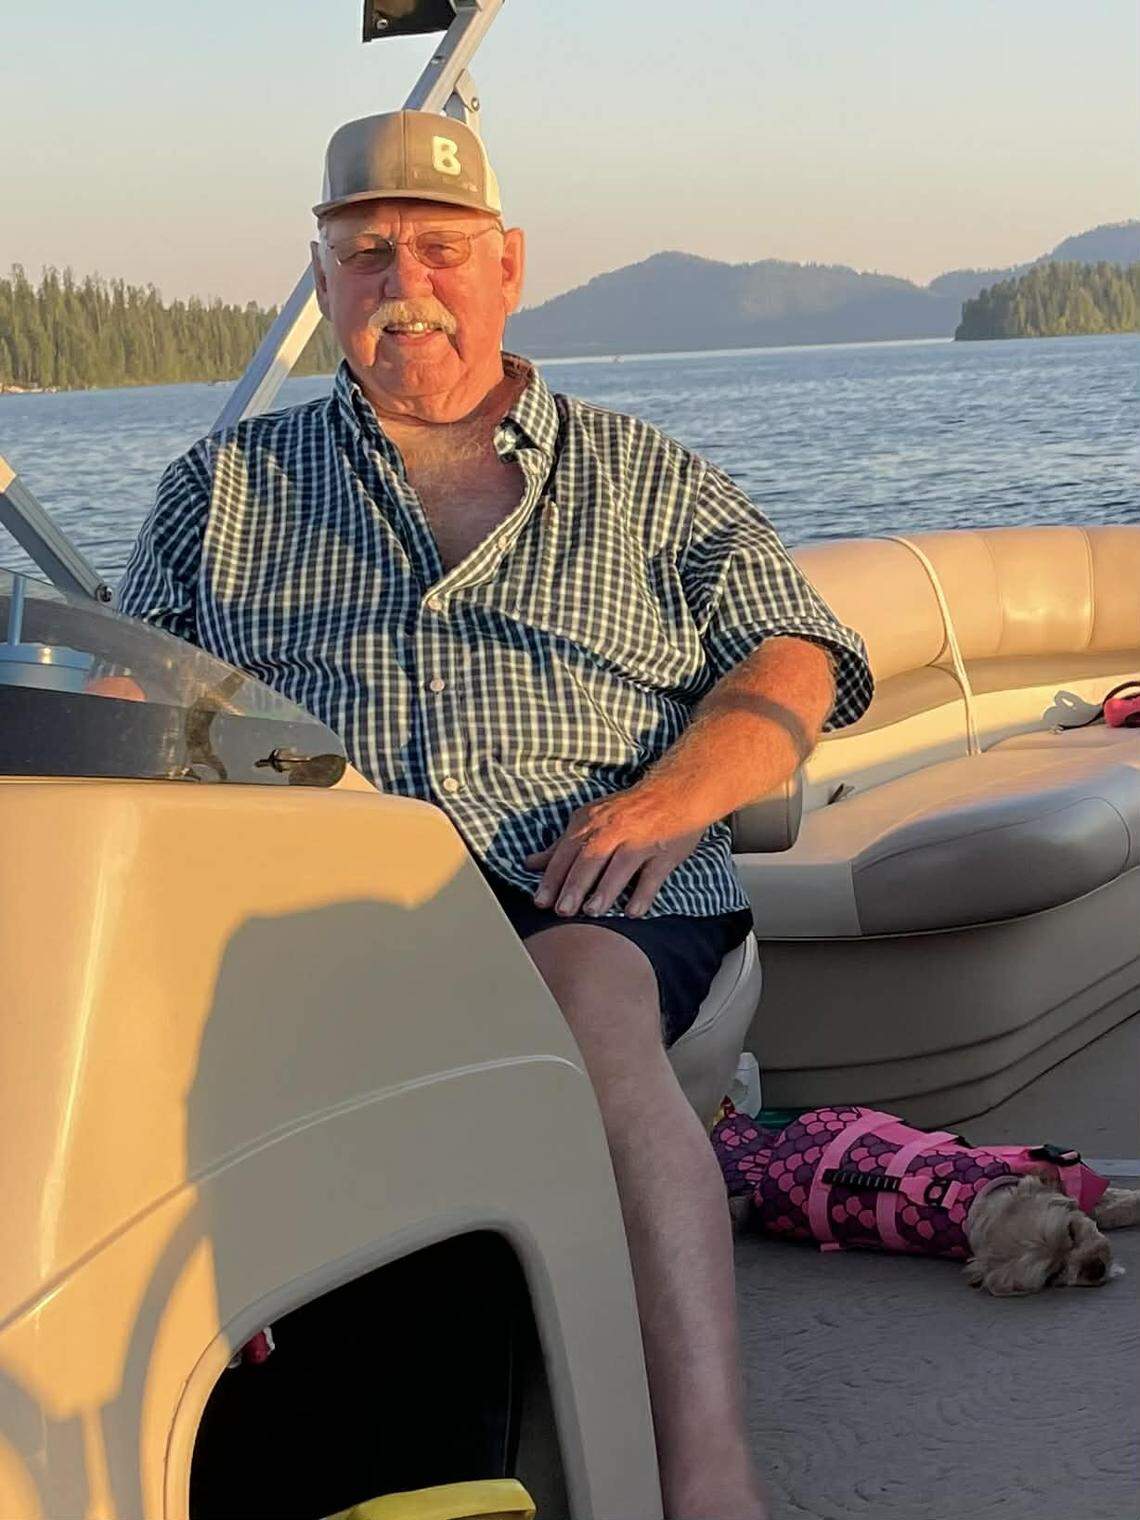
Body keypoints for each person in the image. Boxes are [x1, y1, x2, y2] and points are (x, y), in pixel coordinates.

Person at [119, 110, 872, 1519]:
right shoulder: (217, 497)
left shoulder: (645, 476)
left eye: (443, 248)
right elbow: (127, 697)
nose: (407, 280)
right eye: (368, 251)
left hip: (604, 888)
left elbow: (797, 656)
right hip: (330, 910)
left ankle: (707, 1474)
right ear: (326, 276)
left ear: (509, 265)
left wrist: (675, 795)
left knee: (574, 984)